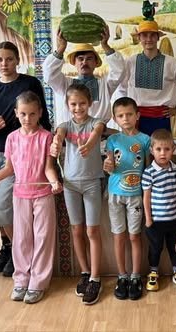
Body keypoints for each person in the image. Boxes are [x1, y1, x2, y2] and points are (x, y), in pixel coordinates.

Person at [0, 91, 62, 304]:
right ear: (16, 113)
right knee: (21, 239)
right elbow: (8, 169)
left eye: (32, 114)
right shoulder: (12, 138)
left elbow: (49, 168)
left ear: (40, 113)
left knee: (43, 238)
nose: (27, 118)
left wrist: (54, 182)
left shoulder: (46, 137)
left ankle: (38, 283)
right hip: (20, 195)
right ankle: (21, 280)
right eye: (23, 114)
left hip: (43, 195)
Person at [0, 41, 51, 277]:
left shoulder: (30, 83)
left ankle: (19, 251)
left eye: (9, 58)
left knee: (5, 206)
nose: (4, 63)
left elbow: (43, 117)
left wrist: (49, 149)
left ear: (17, 60)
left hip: (20, 155)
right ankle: (6, 247)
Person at [50, 84, 105, 305]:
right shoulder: (64, 125)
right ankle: (85, 272)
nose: (78, 107)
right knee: (77, 230)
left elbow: (97, 133)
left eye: (82, 103)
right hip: (70, 185)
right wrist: (56, 143)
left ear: (89, 103)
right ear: (67, 105)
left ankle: (96, 278)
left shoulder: (96, 122)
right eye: (73, 104)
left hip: (92, 183)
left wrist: (89, 145)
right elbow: (59, 135)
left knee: (92, 231)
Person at [103, 97, 151, 300]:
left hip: (136, 196)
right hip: (115, 194)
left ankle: (135, 276)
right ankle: (122, 276)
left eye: (129, 114)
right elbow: (109, 164)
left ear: (137, 115)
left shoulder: (145, 140)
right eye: (121, 115)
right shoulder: (112, 140)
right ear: (115, 118)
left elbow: (148, 168)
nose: (125, 118)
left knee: (134, 236)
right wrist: (108, 166)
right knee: (119, 236)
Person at [43, 26, 124, 124]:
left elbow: (119, 70)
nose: (84, 62)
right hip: (71, 132)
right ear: (74, 63)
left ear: (96, 63)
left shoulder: (105, 84)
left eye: (89, 59)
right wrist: (61, 48)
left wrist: (105, 45)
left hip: (99, 132)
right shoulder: (65, 84)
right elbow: (49, 74)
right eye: (80, 59)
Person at [120, 20, 176, 135]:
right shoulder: (129, 63)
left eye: (152, 35)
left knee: (162, 147)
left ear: (158, 37)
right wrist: (125, 113)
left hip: (163, 118)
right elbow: (122, 89)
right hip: (136, 118)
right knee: (136, 147)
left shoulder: (173, 64)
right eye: (144, 35)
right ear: (139, 38)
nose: (149, 39)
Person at [142, 129, 176, 292]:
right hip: (156, 221)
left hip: (175, 219)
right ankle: (153, 272)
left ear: (173, 149)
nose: (163, 153)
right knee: (155, 248)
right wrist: (148, 218)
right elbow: (146, 197)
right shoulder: (149, 172)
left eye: (167, 149)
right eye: (158, 149)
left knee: (174, 247)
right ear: (152, 150)